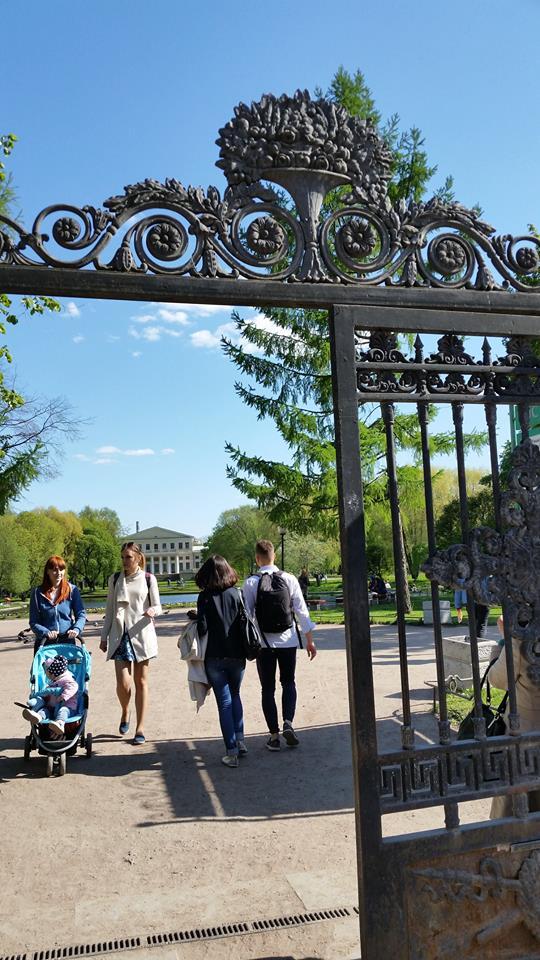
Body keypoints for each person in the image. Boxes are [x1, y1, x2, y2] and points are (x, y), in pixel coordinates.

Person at [244, 539, 317, 752]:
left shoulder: (251, 583)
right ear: (274, 556)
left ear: (257, 559)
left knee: (267, 688)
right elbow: (301, 611)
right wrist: (310, 641)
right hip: (288, 641)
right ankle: (288, 722)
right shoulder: (289, 578)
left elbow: (247, 616)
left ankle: (274, 736)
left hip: (264, 643)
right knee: (288, 682)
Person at [100, 542, 161, 745]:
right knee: (123, 683)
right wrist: (103, 636)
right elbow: (110, 610)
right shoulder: (115, 579)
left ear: (138, 558)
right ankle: (125, 710)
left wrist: (152, 611)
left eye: (128, 557)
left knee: (141, 682)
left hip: (141, 634)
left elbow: (158, 605)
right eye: (123, 557)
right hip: (120, 635)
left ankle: (140, 727)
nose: (125, 561)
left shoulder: (148, 579)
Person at [190, 554, 246, 768]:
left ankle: (231, 752)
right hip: (237, 654)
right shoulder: (236, 593)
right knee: (236, 695)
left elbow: (203, 629)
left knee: (224, 702)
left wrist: (197, 617)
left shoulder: (204, 597)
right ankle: (240, 741)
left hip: (214, 656)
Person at [489, 616, 540, 818]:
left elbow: (498, 679)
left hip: (525, 736)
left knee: (515, 809)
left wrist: (504, 638)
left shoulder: (522, 636)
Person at [29, 555, 86, 657]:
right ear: (48, 571)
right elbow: (33, 622)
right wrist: (46, 632)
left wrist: (76, 629)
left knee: (70, 667)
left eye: (61, 569)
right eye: (55, 570)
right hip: (45, 644)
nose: (59, 573)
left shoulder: (72, 590)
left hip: (67, 642)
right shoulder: (37, 593)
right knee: (45, 668)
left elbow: (81, 614)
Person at [22, 653, 79, 737]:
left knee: (63, 711)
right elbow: (47, 693)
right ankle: (38, 717)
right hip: (52, 707)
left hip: (67, 706)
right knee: (44, 710)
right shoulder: (52, 682)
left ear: (52, 674)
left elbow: (73, 687)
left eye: (46, 673)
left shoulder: (67, 679)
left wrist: (64, 696)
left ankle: (60, 723)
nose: (46, 675)